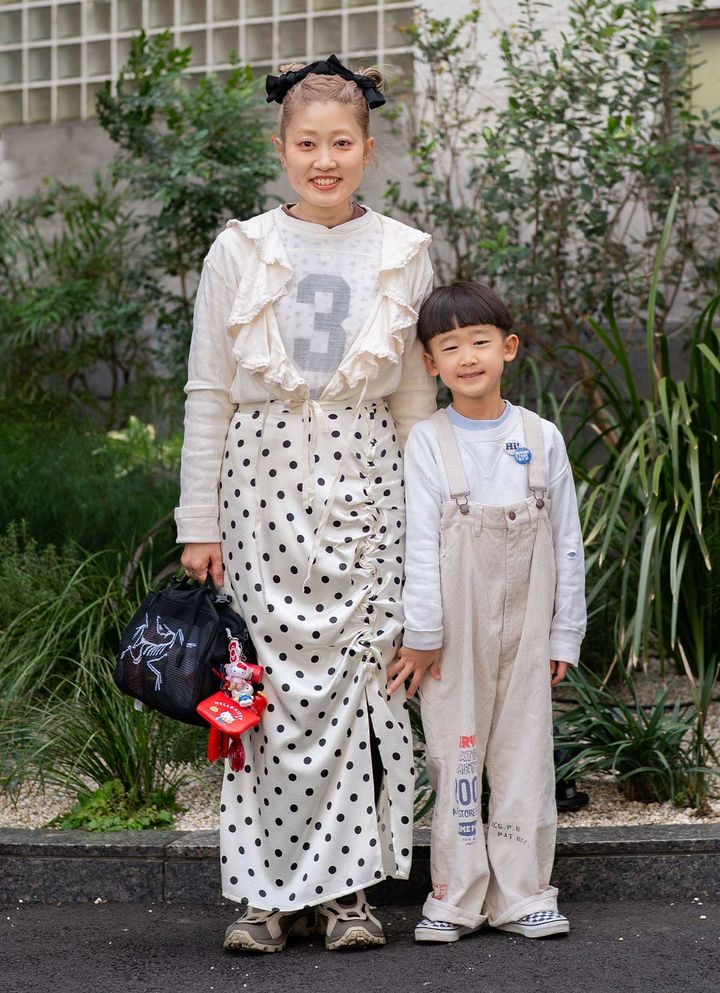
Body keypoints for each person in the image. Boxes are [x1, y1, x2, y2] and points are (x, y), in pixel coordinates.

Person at [176, 55, 435, 953]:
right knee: (262, 685)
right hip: (258, 486)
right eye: (308, 144)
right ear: (281, 149)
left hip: (369, 485)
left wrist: (428, 511)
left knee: (359, 683)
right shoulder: (240, 249)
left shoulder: (404, 250)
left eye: (342, 144)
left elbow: (414, 400)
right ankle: (261, 896)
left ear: (368, 149)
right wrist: (198, 521)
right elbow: (209, 388)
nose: (325, 160)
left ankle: (348, 895)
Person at [388, 281, 586, 942]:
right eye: (450, 346)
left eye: (480, 341)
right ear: (430, 363)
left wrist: (564, 633)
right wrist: (423, 633)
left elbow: (566, 541)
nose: (467, 357)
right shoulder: (428, 442)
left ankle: (524, 892)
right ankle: (455, 893)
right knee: (458, 751)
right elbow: (420, 543)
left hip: (528, 620)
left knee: (525, 750)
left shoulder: (541, 437)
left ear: (509, 348)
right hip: (453, 627)